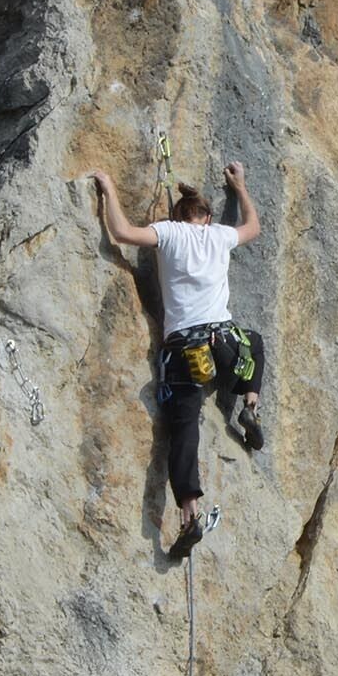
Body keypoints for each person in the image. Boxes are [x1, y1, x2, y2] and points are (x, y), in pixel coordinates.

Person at [89, 159, 264, 547]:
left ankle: (189, 513)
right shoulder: (219, 235)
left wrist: (108, 187)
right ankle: (250, 404)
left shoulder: (168, 233)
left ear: (177, 215)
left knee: (184, 431)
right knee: (254, 341)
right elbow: (253, 227)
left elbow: (120, 232)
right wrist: (240, 186)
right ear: (207, 216)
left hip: (186, 353)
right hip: (226, 346)